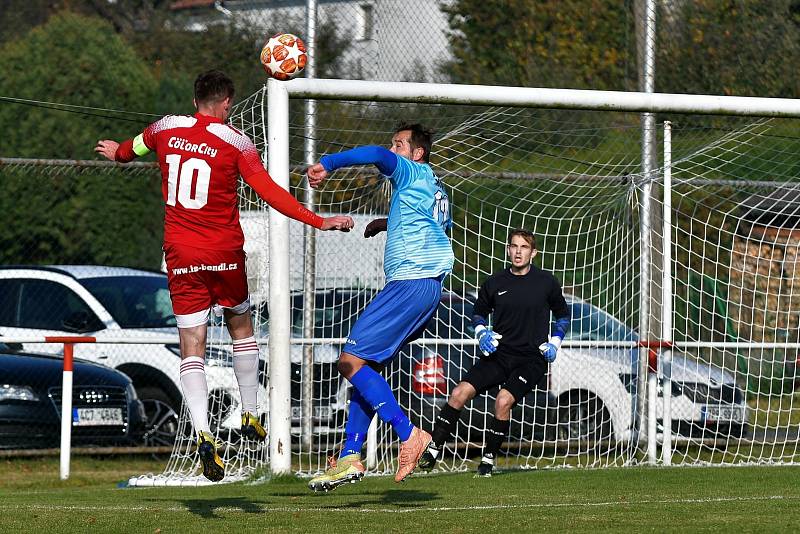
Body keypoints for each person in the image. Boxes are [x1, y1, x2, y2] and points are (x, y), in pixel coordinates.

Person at [95, 70, 354, 482]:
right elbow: (269, 191)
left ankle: (202, 431)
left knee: (191, 346)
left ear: (196, 97)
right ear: (225, 103)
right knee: (241, 327)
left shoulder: (165, 126)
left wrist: (117, 153)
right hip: (223, 253)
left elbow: (134, 148)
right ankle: (250, 413)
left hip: (180, 254)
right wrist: (318, 221)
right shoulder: (237, 142)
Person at [304, 122, 454, 492]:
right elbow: (431, 227)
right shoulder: (436, 188)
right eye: (394, 144)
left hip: (409, 283)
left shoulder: (410, 170)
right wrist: (388, 223)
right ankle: (350, 454)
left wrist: (328, 163)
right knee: (365, 369)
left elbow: (373, 155)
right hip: (429, 288)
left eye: (400, 145)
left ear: (417, 153)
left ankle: (409, 434)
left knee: (349, 361)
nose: (394, 150)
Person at [417, 229, 570, 477]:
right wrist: (481, 332)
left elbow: (563, 315)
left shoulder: (546, 283)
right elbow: (478, 312)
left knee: (503, 401)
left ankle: (488, 459)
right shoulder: (494, 282)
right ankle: (434, 448)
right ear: (508, 250)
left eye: (524, 247)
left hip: (530, 360)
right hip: (498, 355)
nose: (518, 251)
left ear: (534, 252)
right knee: (458, 393)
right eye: (514, 246)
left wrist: (554, 342)